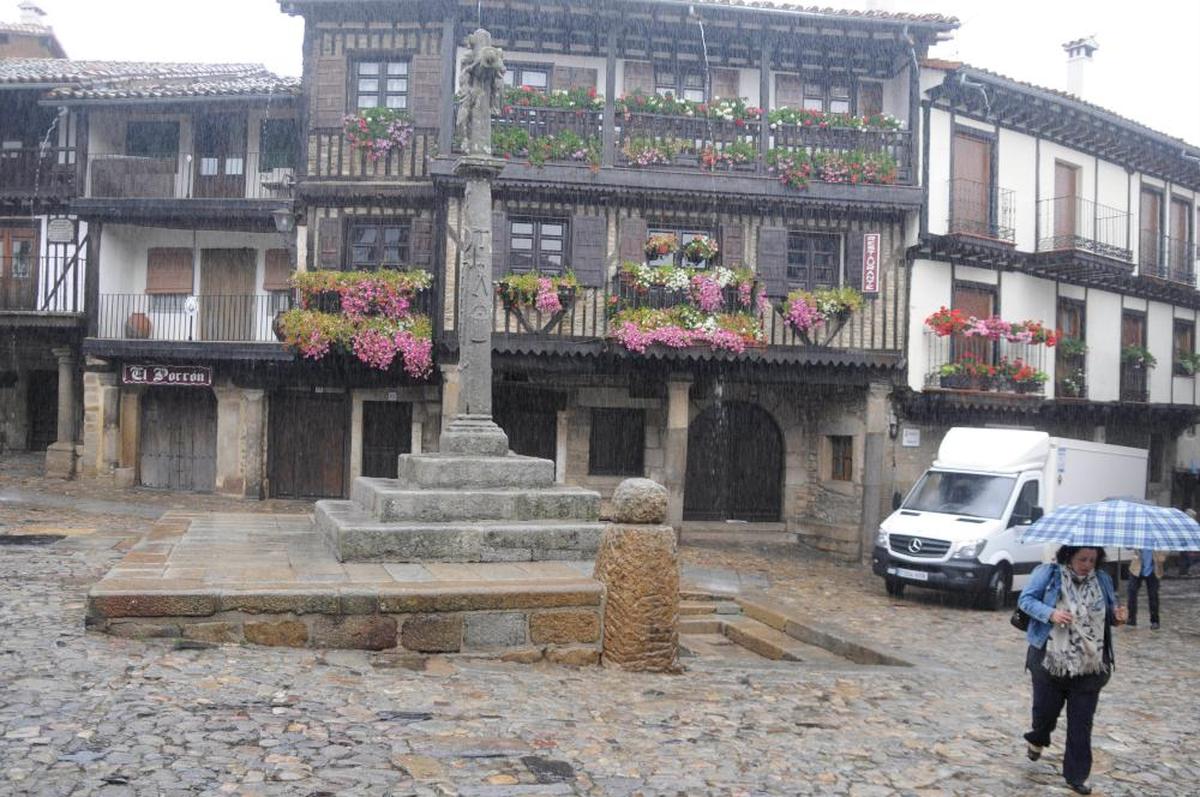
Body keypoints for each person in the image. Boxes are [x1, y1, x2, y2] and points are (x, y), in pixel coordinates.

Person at [1018, 546, 1128, 796]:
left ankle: (1076, 775)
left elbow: (1110, 614)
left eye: (1092, 560)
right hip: (1050, 659)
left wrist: (1118, 616)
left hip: (1090, 663)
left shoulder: (1103, 579)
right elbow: (1025, 600)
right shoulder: (1048, 573)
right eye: (1082, 559)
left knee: (1081, 723)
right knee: (1045, 713)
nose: (1087, 564)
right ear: (1069, 556)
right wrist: (1051, 613)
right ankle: (1038, 737)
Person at [1127, 546, 1165, 629]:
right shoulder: (1139, 536)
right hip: (1136, 569)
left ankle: (1155, 620)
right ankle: (1131, 618)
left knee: (1153, 595)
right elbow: (1128, 547)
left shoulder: (1156, 541)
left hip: (1153, 570)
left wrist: (1161, 556)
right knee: (1131, 593)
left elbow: (1164, 554)